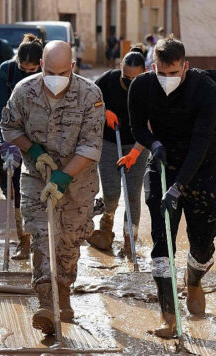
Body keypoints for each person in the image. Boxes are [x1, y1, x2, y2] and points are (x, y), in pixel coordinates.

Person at [1, 41, 105, 334]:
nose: (55, 77)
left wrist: (63, 178)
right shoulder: (24, 91)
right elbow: (9, 127)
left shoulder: (90, 95)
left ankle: (63, 289)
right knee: (42, 235)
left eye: (62, 71)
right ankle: (47, 301)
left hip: (79, 181)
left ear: (72, 67)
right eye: (49, 71)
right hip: (36, 176)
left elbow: (91, 144)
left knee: (70, 240)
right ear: (41, 66)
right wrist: (33, 152)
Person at [128, 36, 216, 338]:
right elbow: (137, 126)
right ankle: (168, 314)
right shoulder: (141, 86)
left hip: (201, 169)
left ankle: (194, 280)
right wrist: (153, 143)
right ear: (153, 66)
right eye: (161, 73)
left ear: (186, 66)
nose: (167, 79)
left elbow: (202, 140)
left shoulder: (205, 89)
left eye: (174, 73)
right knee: (161, 243)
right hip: (162, 166)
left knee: (203, 244)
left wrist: (179, 187)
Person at [87, 49, 148, 255]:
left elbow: (152, 125)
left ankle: (130, 241)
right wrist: (102, 111)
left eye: (135, 78)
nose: (130, 82)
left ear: (144, 72)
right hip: (110, 143)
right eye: (126, 77)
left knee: (133, 195)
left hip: (138, 145)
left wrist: (135, 153)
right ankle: (106, 225)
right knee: (112, 193)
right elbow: (87, 101)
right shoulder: (107, 81)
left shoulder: (150, 87)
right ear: (120, 69)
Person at [0, 34, 43, 260]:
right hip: (13, 137)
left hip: (39, 138)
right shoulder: (7, 70)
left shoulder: (48, 73)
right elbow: (1, 108)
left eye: (31, 69)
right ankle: (23, 239)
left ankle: (40, 237)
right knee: (13, 188)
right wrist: (6, 142)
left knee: (38, 188)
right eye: (22, 68)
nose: (26, 72)